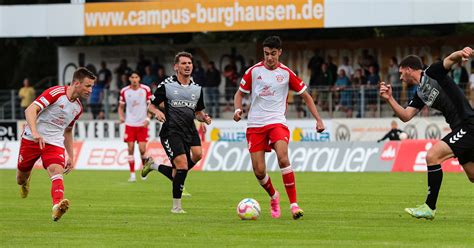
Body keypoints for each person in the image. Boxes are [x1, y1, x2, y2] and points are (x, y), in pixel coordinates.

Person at [233, 36, 325, 220]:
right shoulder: (253, 71)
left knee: (283, 158)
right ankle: (274, 196)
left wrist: (318, 120)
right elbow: (239, 93)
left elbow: (306, 96)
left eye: (273, 54)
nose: (269, 58)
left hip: (276, 121)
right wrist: (237, 109)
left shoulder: (286, 73)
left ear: (280, 52)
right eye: (266, 54)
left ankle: (294, 205)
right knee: (259, 171)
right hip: (255, 124)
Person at [379, 47, 474, 220]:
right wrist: (390, 99)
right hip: (460, 128)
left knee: (432, 156)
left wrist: (461, 53)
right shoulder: (420, 93)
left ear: (409, 69)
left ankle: (429, 207)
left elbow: (450, 60)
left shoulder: (432, 72)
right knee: (472, 175)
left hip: (468, 125)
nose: (400, 77)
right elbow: (406, 116)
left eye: (401, 73)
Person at [16, 67, 96, 221]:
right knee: (20, 178)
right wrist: (35, 132)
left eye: (91, 86)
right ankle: (25, 182)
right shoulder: (56, 93)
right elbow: (30, 110)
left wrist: (71, 156)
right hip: (31, 139)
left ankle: (57, 206)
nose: (90, 90)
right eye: (88, 86)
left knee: (56, 170)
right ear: (76, 83)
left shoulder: (78, 108)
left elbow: (67, 132)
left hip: (54, 143)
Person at [142, 51, 211, 213]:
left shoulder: (197, 88)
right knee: (182, 166)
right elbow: (151, 105)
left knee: (197, 155)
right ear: (176, 67)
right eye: (184, 63)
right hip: (171, 131)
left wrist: (204, 118)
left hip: (190, 129)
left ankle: (154, 166)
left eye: (189, 63)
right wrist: (157, 112)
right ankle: (176, 207)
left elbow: (198, 112)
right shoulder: (166, 86)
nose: (187, 66)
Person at [118, 71, 152, 182]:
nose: (134, 79)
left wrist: (148, 118)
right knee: (130, 148)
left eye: (136, 77)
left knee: (142, 150)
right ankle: (132, 175)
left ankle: (144, 170)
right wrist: (121, 117)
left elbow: (151, 106)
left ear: (139, 78)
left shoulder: (145, 89)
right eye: (132, 77)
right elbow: (120, 107)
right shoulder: (125, 91)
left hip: (142, 124)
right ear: (129, 79)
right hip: (130, 124)